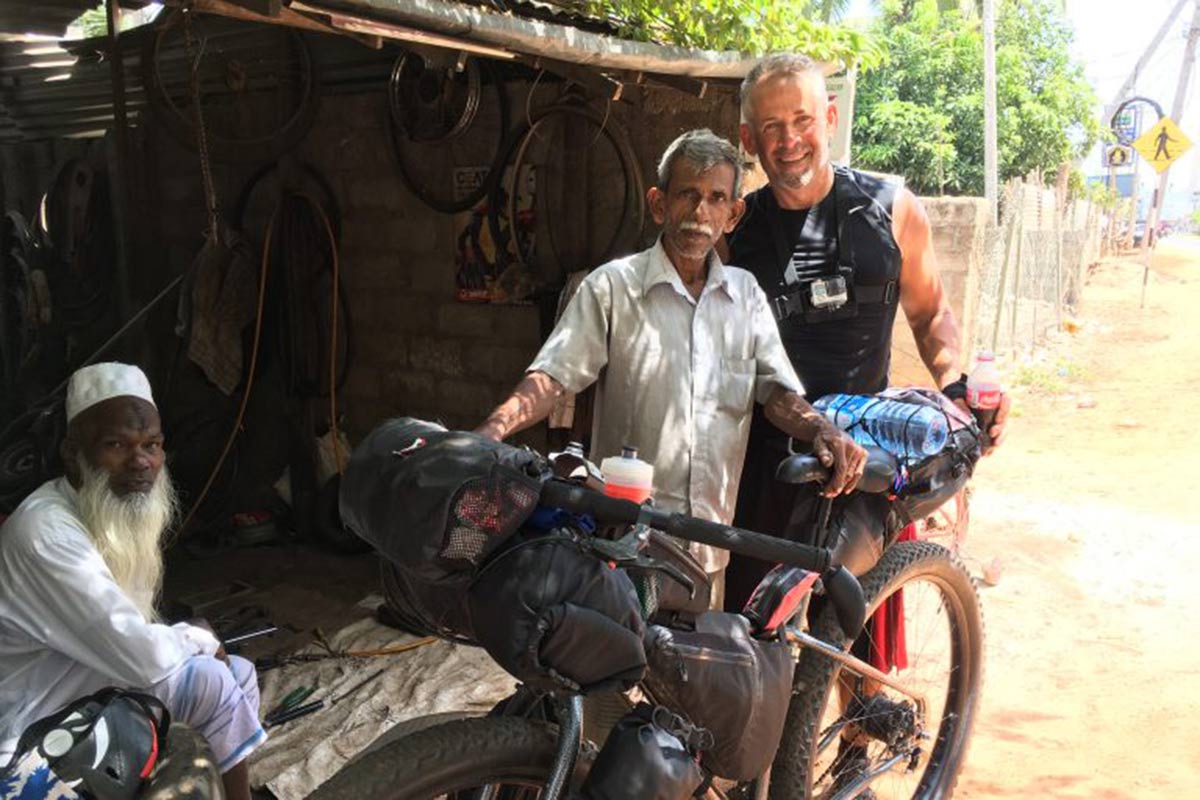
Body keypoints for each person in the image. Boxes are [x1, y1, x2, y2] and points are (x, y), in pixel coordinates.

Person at [726, 54, 1011, 796]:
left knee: (855, 640)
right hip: (766, 460)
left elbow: (931, 313)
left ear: (829, 119)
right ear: (749, 140)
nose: (789, 139)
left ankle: (854, 762)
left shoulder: (889, 207)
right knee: (757, 635)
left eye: (801, 119)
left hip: (871, 459)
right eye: (770, 127)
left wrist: (958, 389)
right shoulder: (738, 232)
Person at [475, 129, 866, 607]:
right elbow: (555, 377)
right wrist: (492, 432)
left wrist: (821, 428)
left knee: (698, 654)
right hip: (622, 549)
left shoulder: (745, 296)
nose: (700, 212)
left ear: (733, 215)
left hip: (709, 551)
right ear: (659, 205)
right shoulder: (612, 288)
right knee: (613, 649)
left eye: (716, 198)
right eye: (688, 194)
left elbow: (777, 394)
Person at [0, 363, 264, 800]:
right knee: (213, 682)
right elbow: (143, 658)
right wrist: (194, 635)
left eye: (151, 445)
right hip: (31, 724)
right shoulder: (45, 533)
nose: (141, 461)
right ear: (73, 453)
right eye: (117, 445)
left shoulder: (107, 509)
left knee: (240, 673)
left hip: (92, 683)